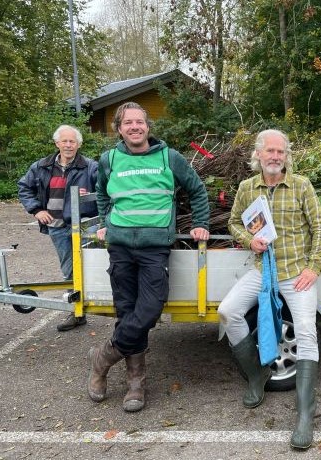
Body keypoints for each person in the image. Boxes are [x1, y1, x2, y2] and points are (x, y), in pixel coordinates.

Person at [87, 102, 210, 412]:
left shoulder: (170, 158)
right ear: (119, 129)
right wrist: (105, 223)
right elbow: (102, 194)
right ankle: (135, 384)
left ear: (148, 126)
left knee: (151, 307)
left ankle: (103, 358)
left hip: (155, 247)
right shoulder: (109, 159)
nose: (134, 127)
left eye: (139, 122)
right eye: (128, 123)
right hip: (120, 246)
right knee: (127, 311)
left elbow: (197, 190)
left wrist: (200, 224)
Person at [217, 129, 321, 449]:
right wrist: (247, 239)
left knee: (306, 331)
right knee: (228, 311)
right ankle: (257, 375)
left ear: (287, 156)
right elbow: (234, 222)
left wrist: (313, 267)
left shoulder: (301, 186)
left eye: (281, 152)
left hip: (296, 274)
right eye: (270, 152)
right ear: (259, 155)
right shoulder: (247, 188)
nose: (276, 157)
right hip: (262, 271)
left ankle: (305, 415)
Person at [18, 125, 98, 331]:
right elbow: (24, 187)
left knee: (90, 265)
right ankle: (77, 313)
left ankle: (93, 307)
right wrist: (36, 210)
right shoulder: (41, 166)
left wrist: (89, 194)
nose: (69, 145)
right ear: (57, 143)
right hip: (57, 227)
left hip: (83, 226)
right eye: (65, 141)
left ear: (79, 144)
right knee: (69, 270)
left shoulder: (90, 167)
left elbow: (105, 189)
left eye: (72, 141)